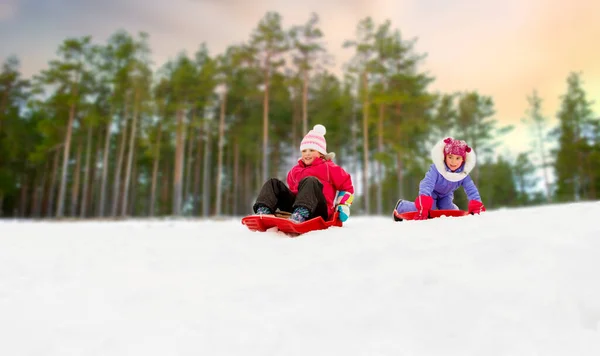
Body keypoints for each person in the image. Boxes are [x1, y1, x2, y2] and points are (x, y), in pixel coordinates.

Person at [253, 124, 355, 223]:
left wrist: (343, 205)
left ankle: (302, 212)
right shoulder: (294, 171)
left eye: (311, 150)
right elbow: (292, 190)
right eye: (304, 150)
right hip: (294, 209)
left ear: (321, 153)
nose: (307, 153)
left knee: (310, 180)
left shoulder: (329, 168)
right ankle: (263, 211)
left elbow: (347, 186)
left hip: (318, 210)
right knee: (273, 183)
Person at [394, 137, 486, 220]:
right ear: (445, 157)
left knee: (450, 211)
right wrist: (424, 201)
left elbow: (471, 189)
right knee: (430, 209)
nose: (453, 162)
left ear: (463, 160)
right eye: (450, 157)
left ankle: (454, 210)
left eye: (458, 158)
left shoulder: (463, 174)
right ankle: (402, 205)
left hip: (446, 195)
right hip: (431, 193)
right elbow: (427, 184)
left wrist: (477, 204)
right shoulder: (437, 169)